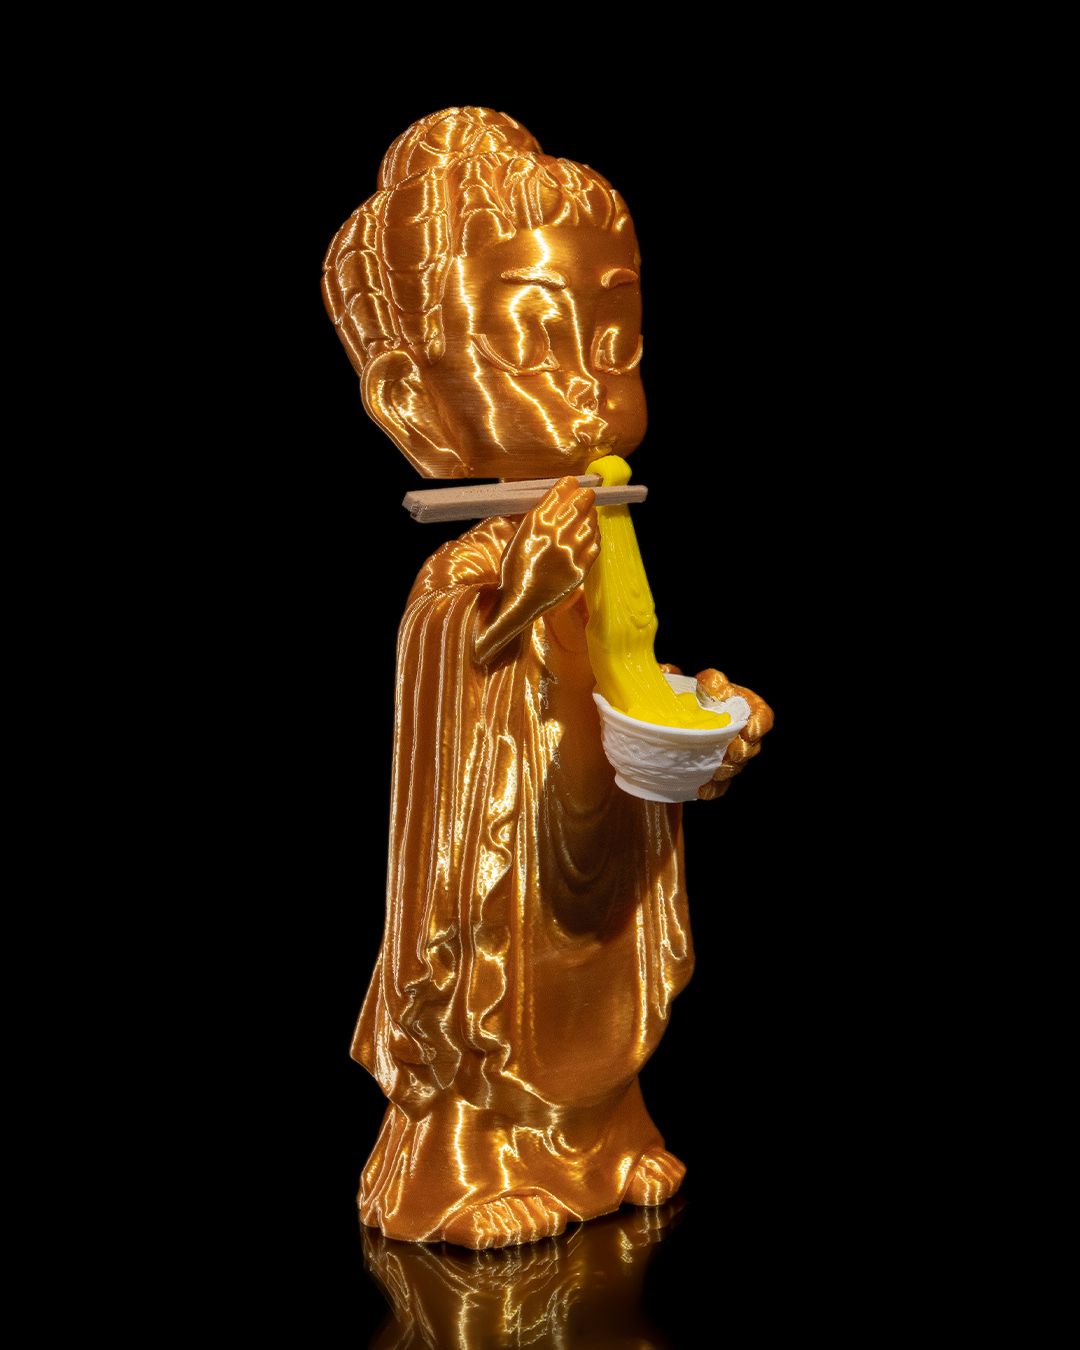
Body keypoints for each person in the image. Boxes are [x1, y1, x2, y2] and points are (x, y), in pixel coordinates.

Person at [322, 107, 772, 1249]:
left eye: (615, 346)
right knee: (500, 985)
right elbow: (443, 664)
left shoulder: (602, 535)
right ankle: (460, 1168)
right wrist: (523, 590)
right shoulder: (465, 564)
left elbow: (622, 665)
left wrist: (700, 714)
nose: (585, 389)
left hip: (594, 833)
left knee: (602, 959)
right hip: (498, 855)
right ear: (410, 397)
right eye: (530, 345)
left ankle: (603, 1140)